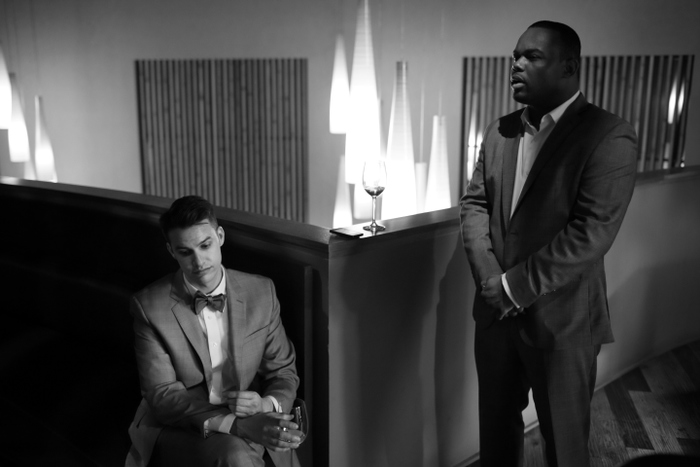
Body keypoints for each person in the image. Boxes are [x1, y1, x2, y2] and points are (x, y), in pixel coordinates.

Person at [459, 21, 638, 467]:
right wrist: (491, 280)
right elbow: (474, 205)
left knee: (565, 449)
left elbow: (591, 232)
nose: (517, 65)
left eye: (532, 56)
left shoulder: (608, 134)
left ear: (569, 67)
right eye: (515, 56)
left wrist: (512, 287)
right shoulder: (499, 131)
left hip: (563, 322)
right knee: (496, 442)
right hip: (495, 318)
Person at [125, 195, 302, 467]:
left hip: (253, 415)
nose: (199, 262)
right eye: (185, 252)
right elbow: (163, 396)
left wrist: (265, 405)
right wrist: (237, 426)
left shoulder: (261, 292)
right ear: (172, 251)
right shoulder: (149, 307)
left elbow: (283, 372)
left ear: (219, 236)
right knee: (236, 456)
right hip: (182, 425)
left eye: (205, 245)